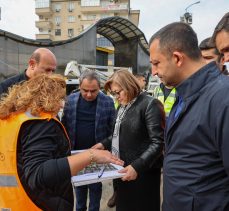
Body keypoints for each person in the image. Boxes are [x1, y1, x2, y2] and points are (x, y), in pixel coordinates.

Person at [0, 73, 123, 211]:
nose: (61, 105)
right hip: (34, 202)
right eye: (59, 99)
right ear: (49, 97)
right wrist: (91, 155)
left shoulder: (12, 118)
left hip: (10, 199)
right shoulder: (39, 123)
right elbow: (38, 174)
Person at [149, 22, 229, 211]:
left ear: (177, 58)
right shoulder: (184, 93)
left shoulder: (222, 98)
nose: (153, 72)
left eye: (156, 63)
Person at [92, 69, 165, 211]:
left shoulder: (149, 104)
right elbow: (117, 134)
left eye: (117, 92)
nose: (116, 97)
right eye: (113, 93)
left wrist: (136, 166)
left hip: (143, 174)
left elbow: (158, 143)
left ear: (129, 86)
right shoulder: (122, 106)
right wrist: (102, 144)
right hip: (123, 170)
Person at [61, 69, 115, 211]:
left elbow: (114, 131)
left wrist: (104, 145)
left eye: (94, 91)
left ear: (100, 88)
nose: (89, 94)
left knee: (96, 189)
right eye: (85, 90)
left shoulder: (108, 102)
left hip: (98, 157)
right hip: (76, 155)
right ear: (79, 86)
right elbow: (64, 125)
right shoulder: (70, 101)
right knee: (79, 191)